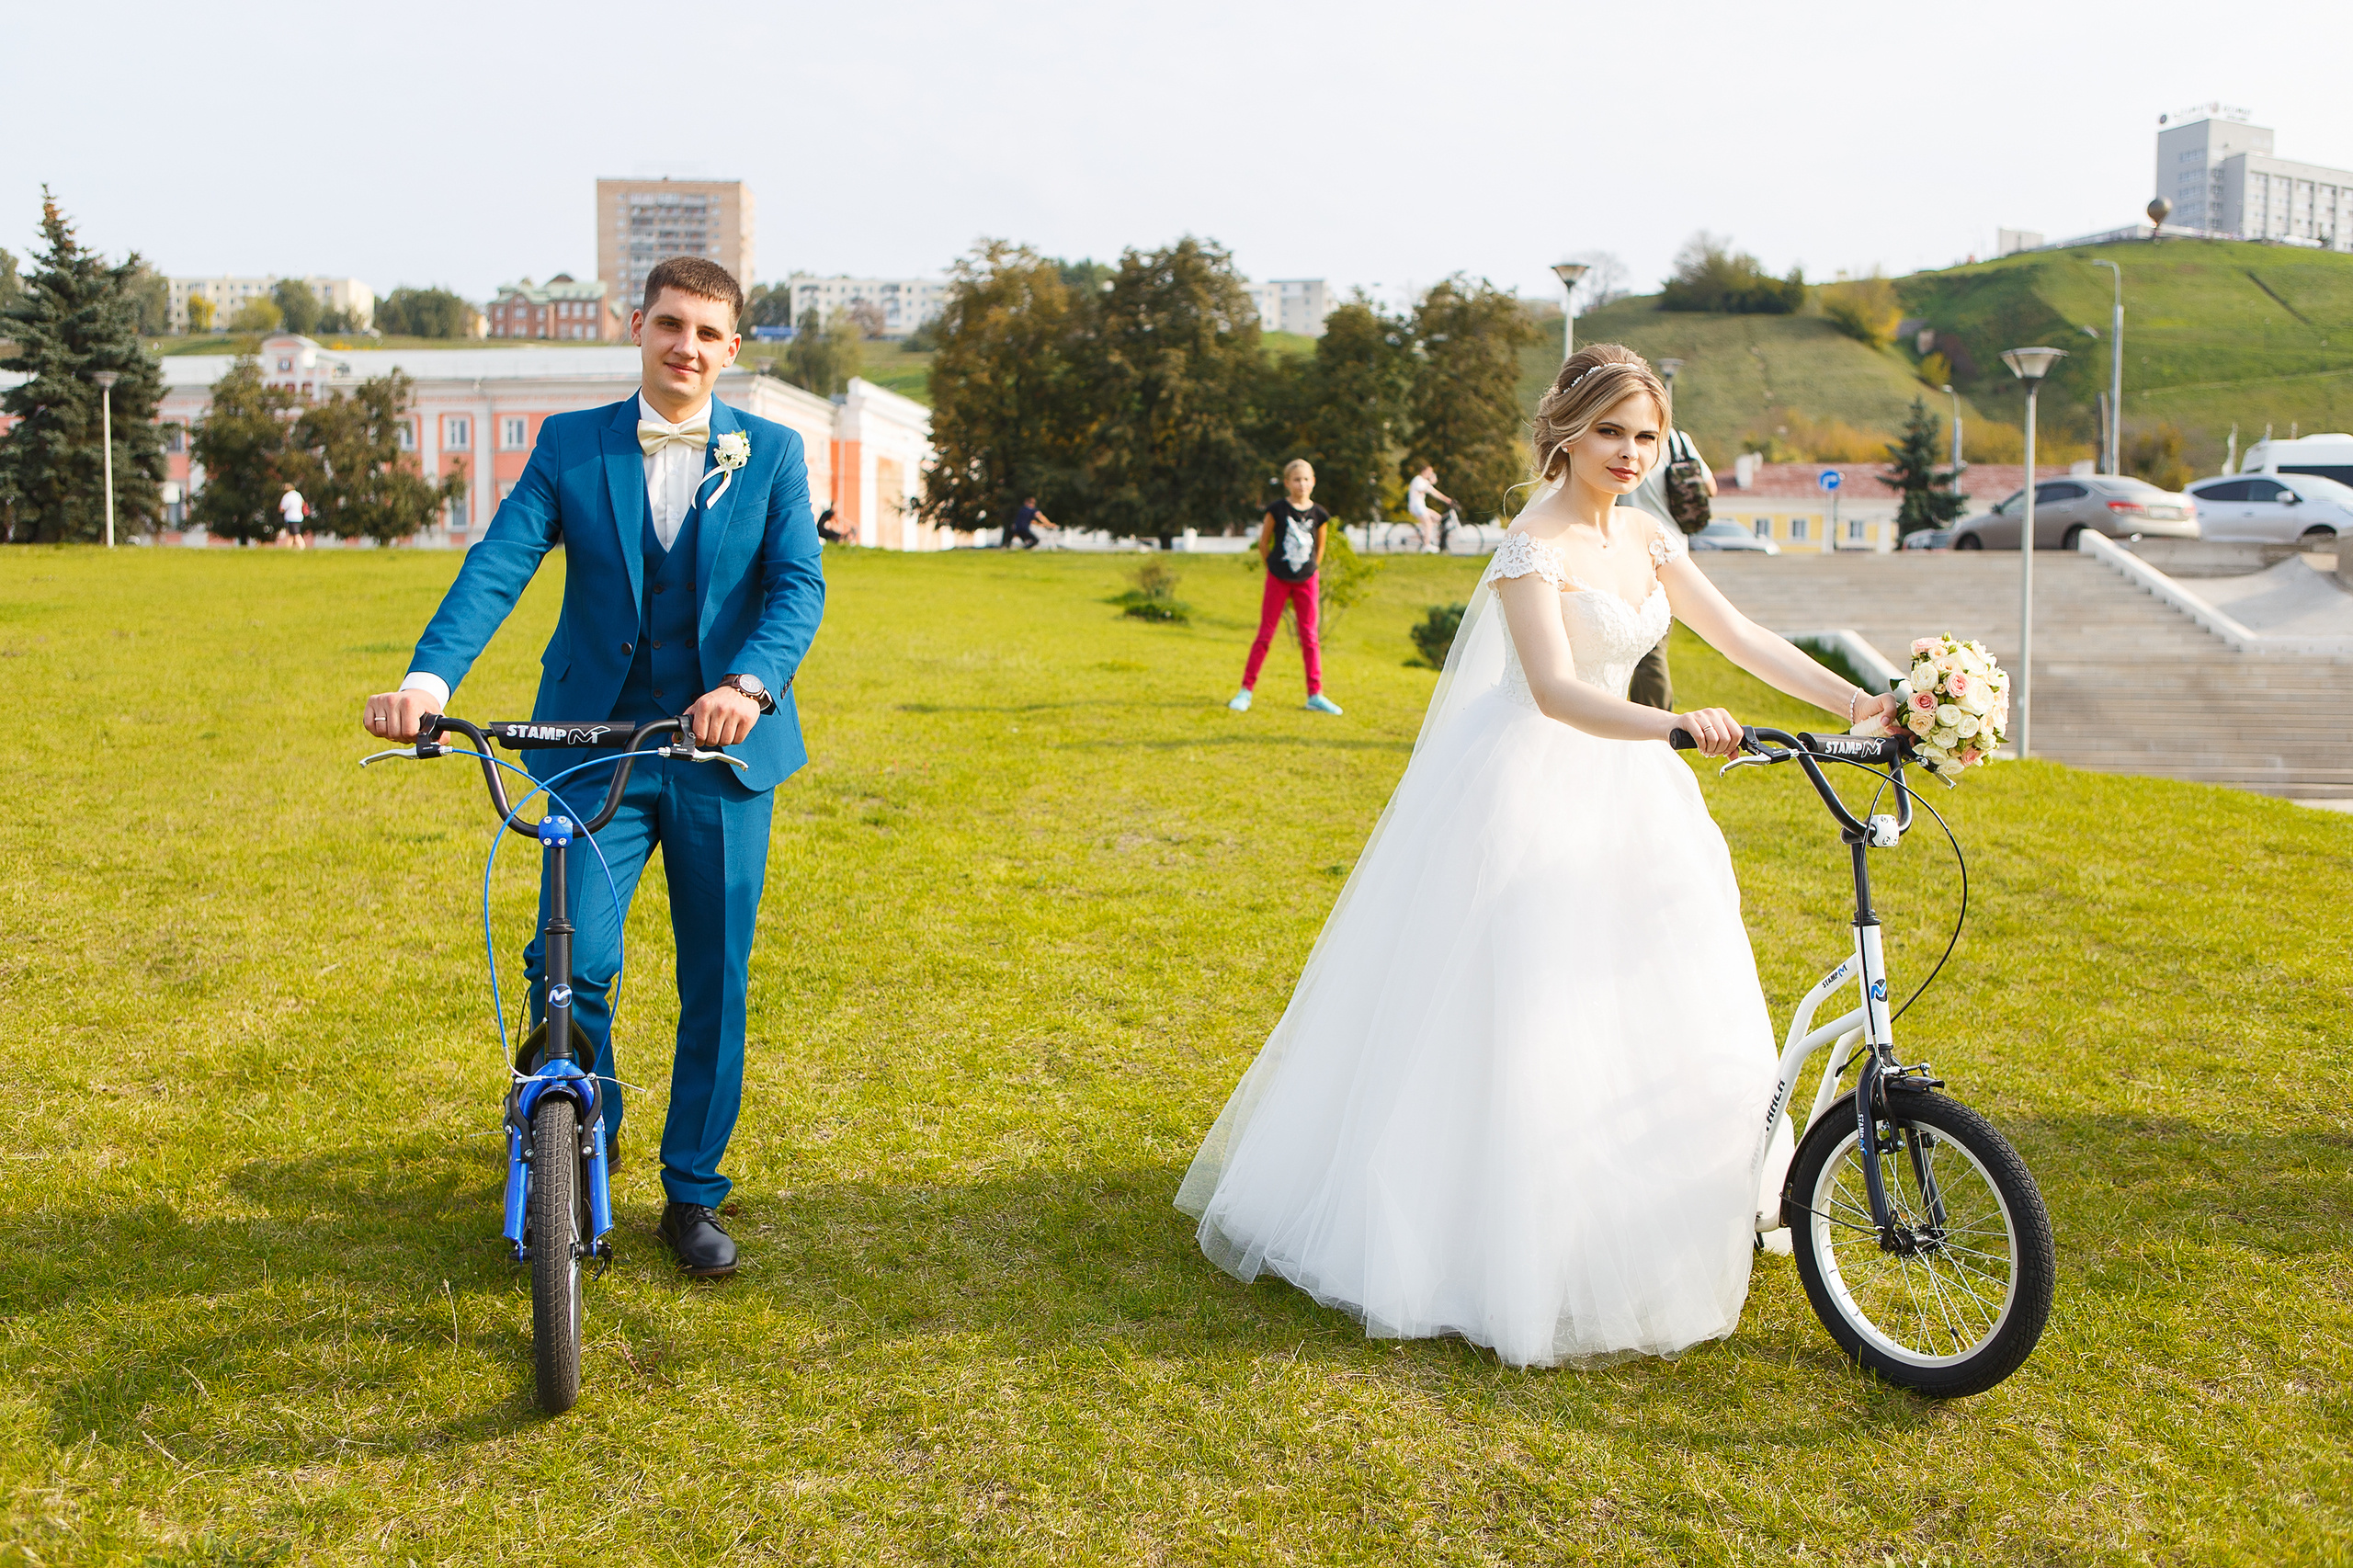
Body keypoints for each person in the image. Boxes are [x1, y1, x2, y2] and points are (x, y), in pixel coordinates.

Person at [1177, 345, 1900, 1369]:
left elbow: (1739, 636)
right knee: (1530, 1009)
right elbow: (1555, 691)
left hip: (1644, 791)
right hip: (1537, 784)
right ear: (1563, 430)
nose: (1628, 452)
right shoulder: (1530, 546)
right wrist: (1672, 725)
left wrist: (1855, 702)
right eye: (1609, 430)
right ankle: (1511, 1232)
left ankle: (1666, 1205)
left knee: (1661, 983)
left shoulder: (1649, 539)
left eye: (1645, 435)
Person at [358, 256, 825, 1279]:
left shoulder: (776, 453)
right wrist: (428, 680)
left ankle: (693, 1192)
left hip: (719, 754)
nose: (685, 348)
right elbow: (501, 560)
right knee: (572, 964)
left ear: (732, 349)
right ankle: (582, 1147)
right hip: (591, 743)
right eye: (669, 325)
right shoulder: (571, 444)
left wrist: (748, 684)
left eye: (708, 333)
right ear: (638, 326)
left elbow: (798, 586)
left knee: (716, 976)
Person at [1229, 460, 1342, 715]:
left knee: (1310, 637)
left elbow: (1319, 547)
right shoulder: (1277, 509)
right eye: (1296, 480)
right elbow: (1263, 542)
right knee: (1265, 634)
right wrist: (1273, 567)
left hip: (1307, 580)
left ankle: (1315, 695)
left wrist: (1310, 569)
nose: (1301, 484)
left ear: (1313, 482)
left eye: (1306, 479)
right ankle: (1245, 691)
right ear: (1287, 483)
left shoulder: (1320, 514)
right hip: (1278, 579)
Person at [1616, 426, 1717, 710]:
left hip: (1630, 547)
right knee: (1652, 645)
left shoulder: (1616, 441)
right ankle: (1650, 723)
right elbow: (1711, 487)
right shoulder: (1677, 439)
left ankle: (1656, 728)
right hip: (1674, 551)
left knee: (1647, 647)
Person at [1404, 461, 1453, 552]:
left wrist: (1447, 500)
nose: (1430, 474)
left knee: (1438, 518)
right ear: (1424, 471)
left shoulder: (1425, 482)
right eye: (1429, 472)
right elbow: (1422, 490)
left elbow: (1435, 493)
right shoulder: (1418, 480)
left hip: (1422, 507)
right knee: (1428, 523)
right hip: (1416, 506)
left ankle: (1426, 535)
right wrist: (1430, 483)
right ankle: (1426, 545)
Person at [278, 483, 310, 549]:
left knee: (296, 535)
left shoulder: (287, 496)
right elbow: (303, 503)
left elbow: (282, 508)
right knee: (291, 535)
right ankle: (287, 549)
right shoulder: (298, 495)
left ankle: (302, 547)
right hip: (299, 517)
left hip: (291, 517)